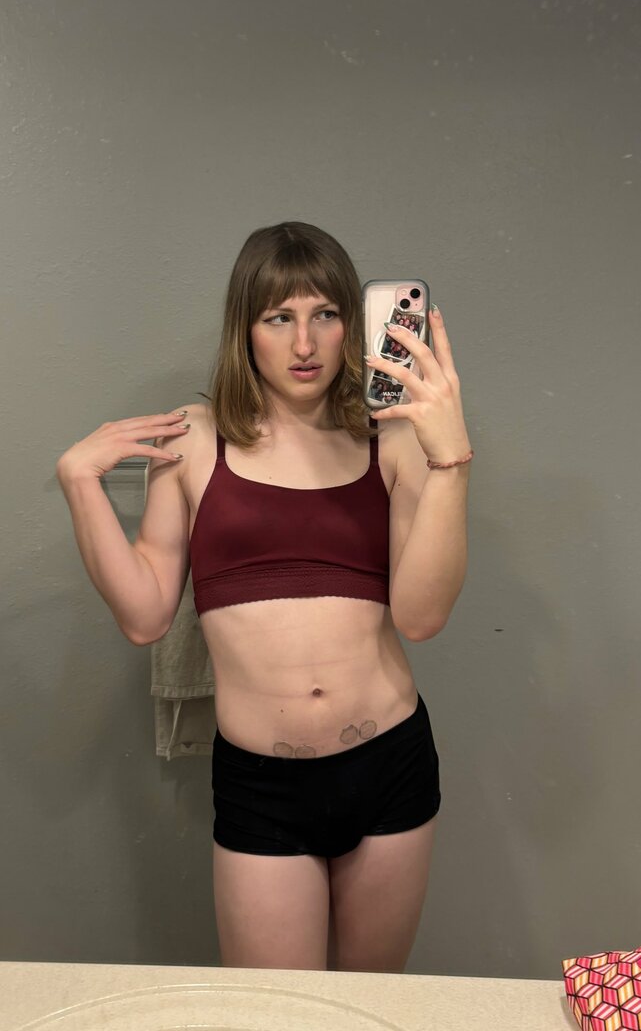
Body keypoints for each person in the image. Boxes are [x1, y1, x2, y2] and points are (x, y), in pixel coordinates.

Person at [56, 220, 473, 974]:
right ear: (244, 330)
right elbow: (145, 616)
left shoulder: (392, 440)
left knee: (374, 1008)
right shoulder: (191, 439)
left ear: (352, 323)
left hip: (390, 764)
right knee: (275, 1014)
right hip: (260, 786)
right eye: (279, 317)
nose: (304, 343)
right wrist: (79, 482)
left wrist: (451, 462)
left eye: (325, 314)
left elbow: (422, 617)